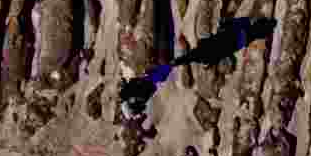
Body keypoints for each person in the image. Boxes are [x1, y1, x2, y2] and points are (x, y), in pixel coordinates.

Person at [118, 16, 277, 118]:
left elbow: (172, 64)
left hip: (211, 49)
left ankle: (254, 29)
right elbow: (172, 66)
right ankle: (254, 28)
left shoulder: (150, 79)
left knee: (223, 42)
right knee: (224, 42)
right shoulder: (152, 80)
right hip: (211, 49)